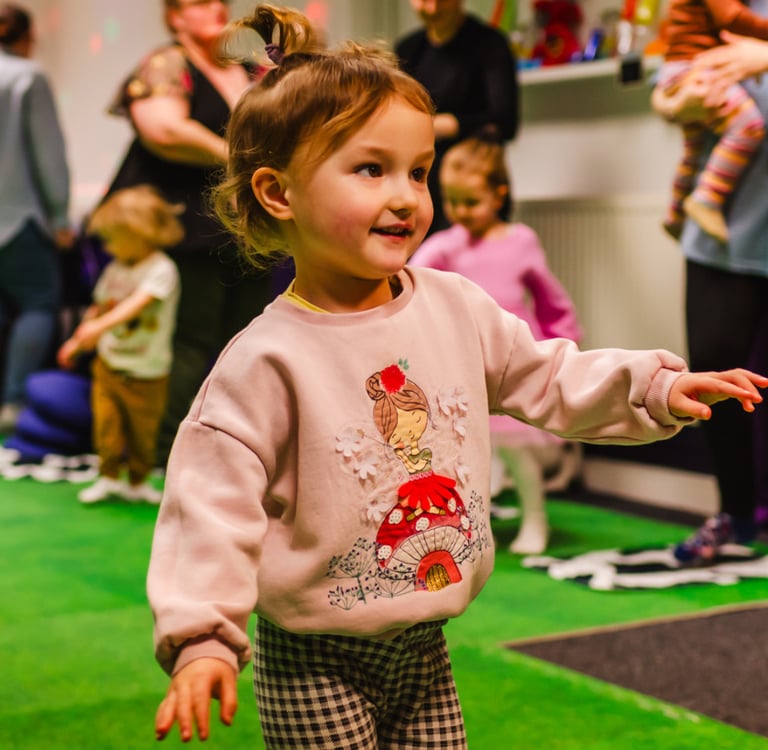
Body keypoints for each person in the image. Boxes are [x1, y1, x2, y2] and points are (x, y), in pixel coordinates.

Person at [147, 5, 768, 746]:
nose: (407, 196)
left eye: (418, 171)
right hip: (315, 654)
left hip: (426, 638)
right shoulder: (263, 362)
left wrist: (653, 386)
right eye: (371, 170)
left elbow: (548, 377)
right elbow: (208, 509)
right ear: (278, 193)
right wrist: (203, 640)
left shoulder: (454, 305)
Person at [103, 0, 276, 468]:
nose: (216, 8)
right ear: (175, 17)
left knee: (247, 337)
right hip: (183, 228)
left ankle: (235, 448)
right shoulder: (167, 62)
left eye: (220, 0)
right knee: (188, 339)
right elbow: (164, 131)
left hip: (241, 228)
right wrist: (237, 158)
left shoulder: (249, 67)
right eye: (200, 2)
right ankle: (158, 452)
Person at [410, 136, 582, 555]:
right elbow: (411, 282)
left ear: (498, 193)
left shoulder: (521, 240)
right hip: (464, 367)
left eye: (471, 201)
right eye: (452, 201)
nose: (460, 212)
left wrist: (566, 344)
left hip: (512, 364)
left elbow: (551, 298)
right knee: (470, 455)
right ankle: (474, 527)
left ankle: (535, 517)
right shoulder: (445, 246)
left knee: (516, 449)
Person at [654, 25, 768, 565]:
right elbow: (668, 92)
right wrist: (677, 99)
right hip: (719, 240)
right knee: (718, 382)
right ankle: (736, 515)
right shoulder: (720, 10)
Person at [58, 186, 182, 504]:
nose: (108, 247)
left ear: (139, 233)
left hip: (147, 371)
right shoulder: (114, 270)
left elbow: (135, 306)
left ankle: (138, 480)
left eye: (113, 239)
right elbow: (99, 307)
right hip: (110, 366)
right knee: (106, 426)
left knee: (143, 432)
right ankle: (108, 476)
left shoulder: (161, 270)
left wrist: (99, 327)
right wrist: (77, 340)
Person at [0, 3, 74, 432]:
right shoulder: (27, 76)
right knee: (37, 303)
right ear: (27, 37)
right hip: (17, 216)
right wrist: (60, 216)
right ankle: (14, 407)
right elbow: (48, 155)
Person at [395, 0, 519, 235]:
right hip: (422, 189)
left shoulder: (490, 45)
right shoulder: (408, 49)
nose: (431, 9)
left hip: (471, 190)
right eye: (422, 1)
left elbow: (506, 121)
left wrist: (452, 125)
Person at [652, 0, 768, 243]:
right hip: (717, 243)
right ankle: (705, 200)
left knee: (692, 151)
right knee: (747, 124)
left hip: (757, 230)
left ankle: (676, 213)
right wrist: (675, 105)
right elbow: (660, 96)